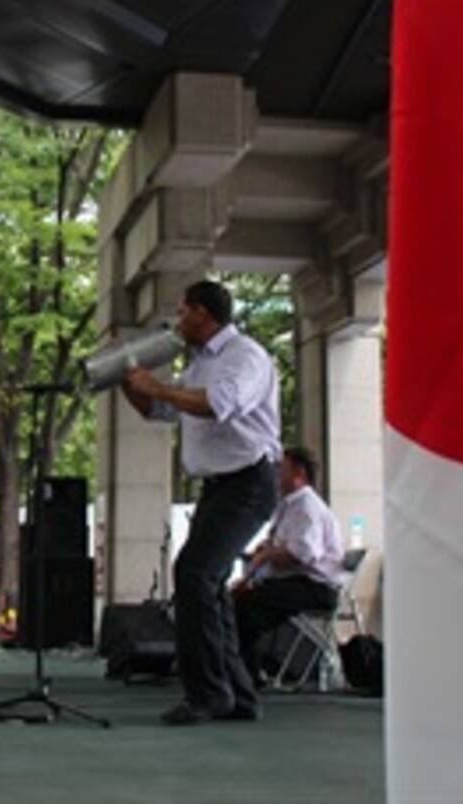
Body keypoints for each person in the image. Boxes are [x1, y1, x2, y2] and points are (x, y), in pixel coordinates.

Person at [121, 279, 280, 725]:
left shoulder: (245, 356)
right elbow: (161, 411)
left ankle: (208, 694)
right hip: (221, 487)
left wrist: (156, 387)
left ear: (202, 313)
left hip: (248, 482)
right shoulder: (201, 364)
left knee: (194, 574)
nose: (178, 320)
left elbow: (217, 404)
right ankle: (237, 695)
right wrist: (129, 383)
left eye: (183, 311)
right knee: (207, 583)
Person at [233, 447, 344, 684]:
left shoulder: (306, 507)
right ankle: (248, 671)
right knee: (239, 602)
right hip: (298, 582)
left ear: (299, 473)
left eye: (280, 469)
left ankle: (247, 676)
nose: (275, 475)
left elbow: (302, 554)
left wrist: (264, 557)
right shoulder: (290, 507)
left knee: (243, 608)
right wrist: (254, 571)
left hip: (314, 587)